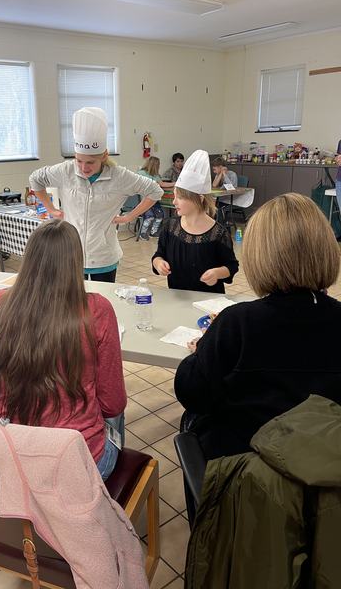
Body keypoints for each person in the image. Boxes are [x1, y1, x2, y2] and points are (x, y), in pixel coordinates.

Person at [175, 193, 341, 462]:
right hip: (325, 469)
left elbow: (192, 392)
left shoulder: (237, 323)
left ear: (258, 257)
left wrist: (201, 351)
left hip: (249, 472)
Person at [0, 219, 127, 481]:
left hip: (16, 453)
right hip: (78, 458)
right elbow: (112, 404)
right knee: (116, 415)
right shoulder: (97, 310)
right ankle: (104, 503)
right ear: (76, 262)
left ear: (29, 258)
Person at [29, 107, 163, 282]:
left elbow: (155, 191)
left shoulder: (119, 176)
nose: (84, 168)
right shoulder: (66, 170)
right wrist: (51, 208)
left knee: (102, 301)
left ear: (104, 155)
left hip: (104, 254)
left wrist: (130, 216)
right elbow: (35, 179)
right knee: (74, 302)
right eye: (79, 160)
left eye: (90, 162)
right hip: (71, 253)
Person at [152, 150, 238, 292]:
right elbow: (158, 254)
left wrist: (217, 273)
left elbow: (231, 267)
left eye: (180, 197)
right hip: (177, 297)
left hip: (208, 301)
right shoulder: (170, 226)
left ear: (199, 198)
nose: (174, 202)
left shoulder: (218, 233)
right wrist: (158, 263)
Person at [137, 156, 172, 240]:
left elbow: (161, 184)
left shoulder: (155, 175)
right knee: (150, 216)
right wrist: (176, 183)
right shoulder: (141, 173)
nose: (159, 167)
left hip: (154, 200)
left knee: (160, 215)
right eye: (158, 165)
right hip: (145, 200)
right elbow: (161, 184)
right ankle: (143, 233)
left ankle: (154, 232)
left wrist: (175, 184)